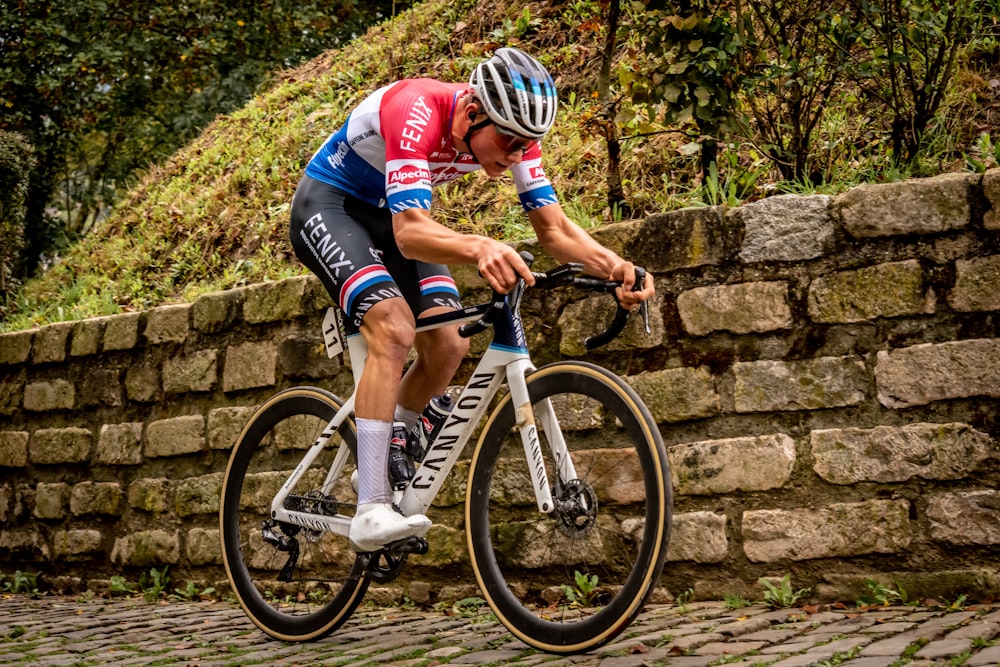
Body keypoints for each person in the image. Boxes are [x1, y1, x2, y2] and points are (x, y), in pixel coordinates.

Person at [289, 47, 654, 553]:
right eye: (508, 141)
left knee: (449, 342)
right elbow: (412, 233)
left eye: (527, 145)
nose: (515, 155)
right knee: (393, 329)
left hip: (390, 218)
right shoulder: (417, 107)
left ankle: (389, 442)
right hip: (330, 205)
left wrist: (613, 264)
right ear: (473, 111)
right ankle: (371, 506)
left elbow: (553, 229)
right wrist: (480, 245)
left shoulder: (515, 139)